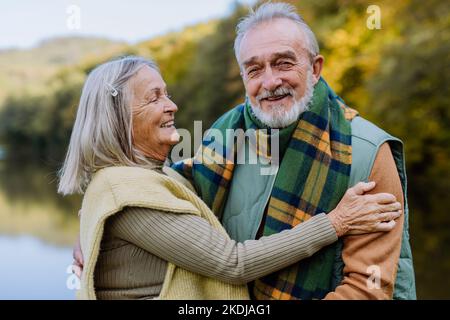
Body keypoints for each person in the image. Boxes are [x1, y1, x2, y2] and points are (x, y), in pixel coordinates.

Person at [60, 56, 401, 300]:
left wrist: (88, 224)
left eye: (167, 93)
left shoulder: (149, 178)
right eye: (155, 97)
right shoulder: (125, 192)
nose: (173, 105)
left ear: (315, 68)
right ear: (118, 118)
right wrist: (336, 222)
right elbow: (232, 262)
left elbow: (193, 172)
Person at [171, 2, 416, 299]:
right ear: (244, 78)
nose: (271, 82)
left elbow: (368, 289)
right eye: (254, 69)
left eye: (284, 63)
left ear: (315, 69)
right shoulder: (222, 137)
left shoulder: (369, 151)